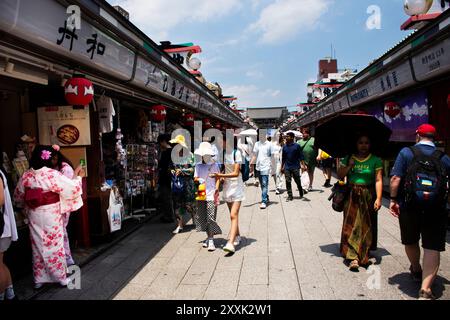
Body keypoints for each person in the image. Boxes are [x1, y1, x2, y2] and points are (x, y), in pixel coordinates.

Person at [390, 124, 450, 300]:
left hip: (410, 206)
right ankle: (425, 289)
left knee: (410, 239)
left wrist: (393, 200)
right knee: (432, 246)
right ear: (434, 137)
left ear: (417, 136)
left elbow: (395, 179)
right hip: (436, 209)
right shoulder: (444, 157)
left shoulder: (406, 153)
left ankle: (416, 268)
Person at [14, 145, 84, 289]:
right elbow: (72, 188)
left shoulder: (27, 175)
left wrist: (25, 207)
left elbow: (18, 196)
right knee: (55, 244)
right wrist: (79, 178)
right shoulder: (51, 174)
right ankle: (61, 278)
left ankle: (39, 279)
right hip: (51, 213)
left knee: (38, 245)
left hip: (34, 214)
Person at [338, 134, 383, 271]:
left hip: (368, 195)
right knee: (351, 224)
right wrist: (349, 166)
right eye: (360, 143)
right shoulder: (349, 158)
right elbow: (340, 175)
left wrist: (379, 198)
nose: (363, 145)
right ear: (356, 144)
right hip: (351, 195)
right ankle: (353, 258)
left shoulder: (376, 160)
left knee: (365, 225)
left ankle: (364, 254)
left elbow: (378, 180)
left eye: (366, 143)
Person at [210, 136, 244, 254]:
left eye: (221, 140)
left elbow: (235, 173)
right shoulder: (224, 153)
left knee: (233, 214)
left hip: (236, 186)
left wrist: (219, 176)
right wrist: (217, 185)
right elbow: (224, 171)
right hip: (227, 187)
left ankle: (230, 243)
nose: (219, 142)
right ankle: (238, 236)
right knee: (232, 215)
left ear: (227, 141)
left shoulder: (237, 153)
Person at [50, 145, 76, 266]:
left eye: (54, 159)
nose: (52, 161)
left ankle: (66, 257)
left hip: (63, 203)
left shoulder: (65, 169)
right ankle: (66, 257)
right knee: (61, 231)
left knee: (62, 230)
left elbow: (67, 188)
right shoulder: (55, 168)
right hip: (55, 203)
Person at [194, 142, 222, 251]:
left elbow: (218, 178)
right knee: (203, 217)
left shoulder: (214, 165)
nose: (205, 156)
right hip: (201, 194)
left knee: (211, 217)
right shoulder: (198, 165)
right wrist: (199, 180)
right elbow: (195, 177)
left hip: (211, 193)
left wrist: (216, 188)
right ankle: (208, 237)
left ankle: (211, 239)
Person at [169, 135, 196, 234]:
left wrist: (182, 171)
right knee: (177, 204)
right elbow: (171, 168)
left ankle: (194, 218)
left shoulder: (190, 155)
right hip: (177, 184)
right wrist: (173, 171)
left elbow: (193, 169)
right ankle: (179, 225)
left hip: (188, 183)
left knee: (190, 204)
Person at [0, 164, 19, 301]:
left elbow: (0, 199)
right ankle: (10, 294)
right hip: (4, 226)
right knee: (1, 263)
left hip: (1, 227)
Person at [250, 132, 274, 209]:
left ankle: (263, 201)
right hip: (258, 166)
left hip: (266, 166)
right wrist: (251, 164)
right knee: (262, 184)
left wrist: (273, 167)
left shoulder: (270, 144)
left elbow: (272, 156)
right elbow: (254, 155)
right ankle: (266, 196)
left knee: (264, 184)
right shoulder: (257, 144)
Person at [282, 132, 307, 202]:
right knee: (287, 181)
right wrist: (282, 167)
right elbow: (283, 158)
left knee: (297, 181)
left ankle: (300, 190)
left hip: (295, 166)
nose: (286, 138)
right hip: (287, 167)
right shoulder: (284, 147)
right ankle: (290, 195)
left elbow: (301, 157)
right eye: (286, 136)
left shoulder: (297, 146)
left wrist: (304, 166)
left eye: (288, 136)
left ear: (292, 138)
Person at [157, 134, 175, 224]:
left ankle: (169, 216)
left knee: (166, 197)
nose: (160, 144)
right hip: (170, 178)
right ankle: (170, 215)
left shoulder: (166, 152)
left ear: (163, 141)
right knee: (169, 197)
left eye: (160, 142)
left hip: (166, 178)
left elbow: (161, 165)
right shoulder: (172, 151)